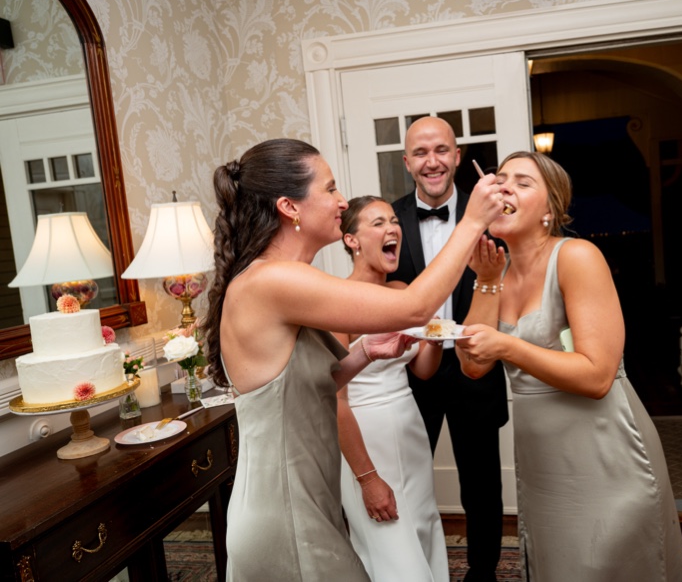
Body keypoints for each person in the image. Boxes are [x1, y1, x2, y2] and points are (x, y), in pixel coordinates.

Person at [202, 138, 501, 580]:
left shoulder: (285, 279)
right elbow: (417, 306)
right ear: (290, 206)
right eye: (329, 189)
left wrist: (363, 352)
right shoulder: (273, 280)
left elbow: (304, 388)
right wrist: (473, 219)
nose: (342, 201)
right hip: (283, 506)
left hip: (307, 495)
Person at [455, 151, 682, 579]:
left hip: (603, 446)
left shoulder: (577, 256)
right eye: (500, 180)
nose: (504, 187)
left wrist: (507, 345)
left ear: (550, 209)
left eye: (523, 183)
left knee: (606, 562)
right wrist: (485, 282)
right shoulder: (494, 271)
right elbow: (472, 367)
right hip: (544, 461)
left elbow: (598, 376)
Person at [386, 116, 507, 580]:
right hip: (411, 374)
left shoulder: (494, 216)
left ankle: (483, 573)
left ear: (457, 156)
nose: (432, 162)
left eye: (441, 150)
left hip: (477, 367)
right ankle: (414, 569)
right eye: (420, 152)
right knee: (409, 483)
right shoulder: (389, 218)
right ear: (407, 162)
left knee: (482, 486)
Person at [333, 196, 449, 581]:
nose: (392, 229)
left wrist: (433, 338)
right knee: (389, 545)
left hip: (410, 427)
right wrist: (368, 479)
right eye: (378, 223)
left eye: (394, 221)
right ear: (352, 240)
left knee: (422, 525)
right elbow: (334, 399)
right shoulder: (334, 303)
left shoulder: (404, 292)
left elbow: (423, 371)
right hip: (366, 434)